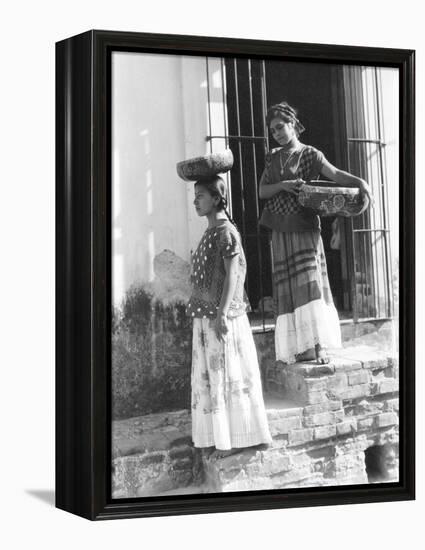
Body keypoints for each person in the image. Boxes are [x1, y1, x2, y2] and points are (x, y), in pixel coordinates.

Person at [259, 101, 372, 365]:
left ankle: (319, 346)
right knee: (288, 287)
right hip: (279, 229)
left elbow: (335, 175)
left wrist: (360, 182)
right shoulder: (271, 157)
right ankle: (300, 347)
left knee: (310, 284)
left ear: (293, 125)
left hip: (304, 226)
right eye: (272, 130)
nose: (276, 133)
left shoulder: (310, 154)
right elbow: (262, 191)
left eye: (280, 127)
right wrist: (284, 185)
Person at [187, 175, 272, 459]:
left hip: (223, 319)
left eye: (200, 195)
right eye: (195, 195)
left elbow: (233, 274)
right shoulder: (211, 232)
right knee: (213, 379)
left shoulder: (225, 232)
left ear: (216, 198)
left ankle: (241, 438)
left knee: (228, 375)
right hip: (207, 317)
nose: (195, 200)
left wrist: (222, 314)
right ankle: (220, 436)